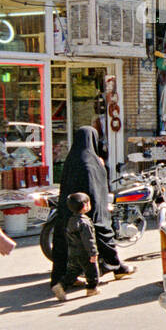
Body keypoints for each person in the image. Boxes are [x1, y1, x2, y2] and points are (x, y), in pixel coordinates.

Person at [49, 126, 132, 295]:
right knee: (101, 237)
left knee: (65, 244)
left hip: (68, 211)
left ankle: (60, 278)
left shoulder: (72, 159)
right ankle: (114, 268)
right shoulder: (90, 162)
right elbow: (96, 190)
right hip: (89, 211)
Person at [52, 192, 99, 301]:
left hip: (73, 251)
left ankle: (61, 286)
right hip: (84, 252)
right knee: (92, 271)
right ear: (85, 206)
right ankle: (92, 288)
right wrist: (93, 253)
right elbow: (89, 240)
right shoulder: (85, 223)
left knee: (73, 271)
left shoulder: (71, 220)